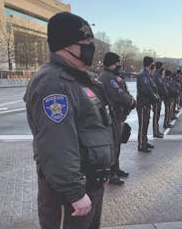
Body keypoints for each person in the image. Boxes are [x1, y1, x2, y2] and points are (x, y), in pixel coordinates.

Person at [24, 12, 119, 229]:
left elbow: (91, 126)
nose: (90, 47)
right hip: (70, 193)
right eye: (84, 42)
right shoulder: (54, 83)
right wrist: (74, 192)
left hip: (90, 182)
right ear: (65, 45)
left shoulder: (79, 79)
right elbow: (56, 144)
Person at [98, 52, 136, 185]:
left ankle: (116, 168)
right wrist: (131, 101)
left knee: (117, 143)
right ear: (112, 63)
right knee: (113, 144)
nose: (119, 65)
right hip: (111, 115)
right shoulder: (107, 77)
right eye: (117, 62)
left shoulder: (112, 75)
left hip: (117, 114)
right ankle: (111, 173)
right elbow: (119, 94)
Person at [136, 56, 159, 152]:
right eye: (152, 63)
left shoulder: (147, 74)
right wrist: (155, 98)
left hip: (147, 103)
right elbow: (147, 90)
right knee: (142, 125)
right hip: (143, 103)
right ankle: (141, 145)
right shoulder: (143, 75)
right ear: (150, 64)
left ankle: (144, 141)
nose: (153, 65)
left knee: (146, 123)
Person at [152, 62, 167, 138]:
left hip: (158, 97)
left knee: (157, 115)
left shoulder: (158, 76)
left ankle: (157, 131)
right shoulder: (157, 76)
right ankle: (155, 132)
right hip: (157, 98)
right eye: (162, 67)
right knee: (156, 116)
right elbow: (161, 86)